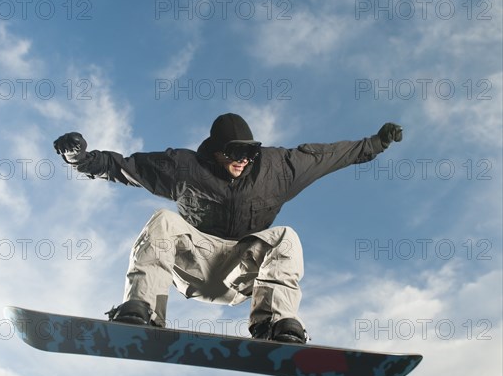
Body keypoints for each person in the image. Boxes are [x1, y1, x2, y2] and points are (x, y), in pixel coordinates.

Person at [54, 113, 402, 344]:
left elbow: (328, 157)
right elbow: (124, 167)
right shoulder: (184, 167)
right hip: (195, 265)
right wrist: (80, 160)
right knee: (163, 219)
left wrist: (376, 143)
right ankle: (142, 310)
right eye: (233, 153)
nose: (242, 160)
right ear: (214, 151)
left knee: (286, 237)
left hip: (242, 272)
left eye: (248, 154)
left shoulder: (278, 168)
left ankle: (272, 324)